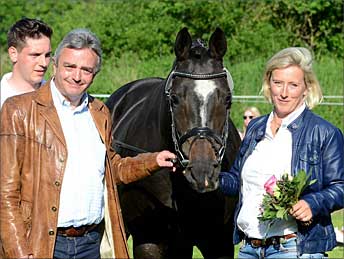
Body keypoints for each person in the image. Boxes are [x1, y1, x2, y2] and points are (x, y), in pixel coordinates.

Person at [0, 28, 176, 259]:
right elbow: (6, 192)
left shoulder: (100, 112)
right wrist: (18, 252)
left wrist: (152, 160)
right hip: (43, 244)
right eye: (69, 67)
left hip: (91, 244)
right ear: (55, 65)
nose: (76, 76)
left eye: (86, 70)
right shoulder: (18, 110)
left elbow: (112, 169)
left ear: (95, 74)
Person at [219, 47, 344, 258]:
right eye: (278, 83)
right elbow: (236, 180)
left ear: (306, 88)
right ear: (269, 84)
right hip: (249, 248)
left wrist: (312, 203)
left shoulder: (324, 132)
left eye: (293, 85)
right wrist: (208, 177)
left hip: (295, 247)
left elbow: (340, 187)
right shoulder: (255, 128)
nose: (284, 92)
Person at [0, 17, 53, 107]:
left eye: (47, 55)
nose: (44, 63)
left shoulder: (57, 97)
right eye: (35, 55)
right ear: (13, 54)